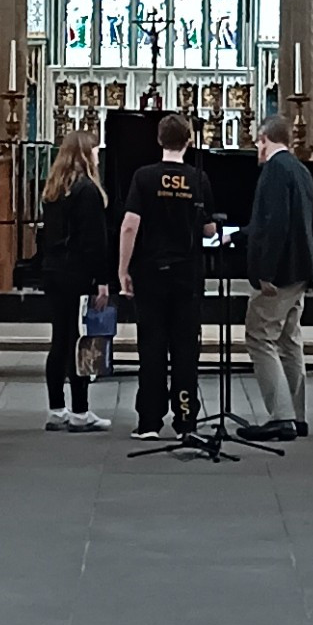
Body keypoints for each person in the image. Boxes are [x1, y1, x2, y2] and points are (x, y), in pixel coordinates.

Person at [120, 107, 208, 444]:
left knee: (152, 347)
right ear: (188, 140)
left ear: (159, 140)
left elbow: (130, 225)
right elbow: (210, 227)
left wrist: (122, 269)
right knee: (185, 349)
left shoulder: (143, 176)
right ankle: (186, 419)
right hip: (187, 275)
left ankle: (149, 421)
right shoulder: (199, 178)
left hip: (151, 273)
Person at [236, 116, 313, 445]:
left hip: (281, 271)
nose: (257, 148)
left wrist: (265, 272)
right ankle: (296, 416)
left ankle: (281, 417)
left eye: (258, 142)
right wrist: (239, 235)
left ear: (265, 139)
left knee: (259, 336)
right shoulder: (300, 169)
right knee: (288, 341)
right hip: (300, 268)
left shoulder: (273, 170)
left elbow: (276, 225)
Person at [36, 132, 112, 426]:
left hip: (53, 271)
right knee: (80, 341)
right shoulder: (88, 191)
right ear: (84, 154)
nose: (97, 155)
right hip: (78, 273)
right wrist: (102, 280)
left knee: (59, 341)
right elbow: (95, 241)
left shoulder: (53, 190)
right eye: (94, 150)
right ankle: (80, 411)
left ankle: (57, 409)